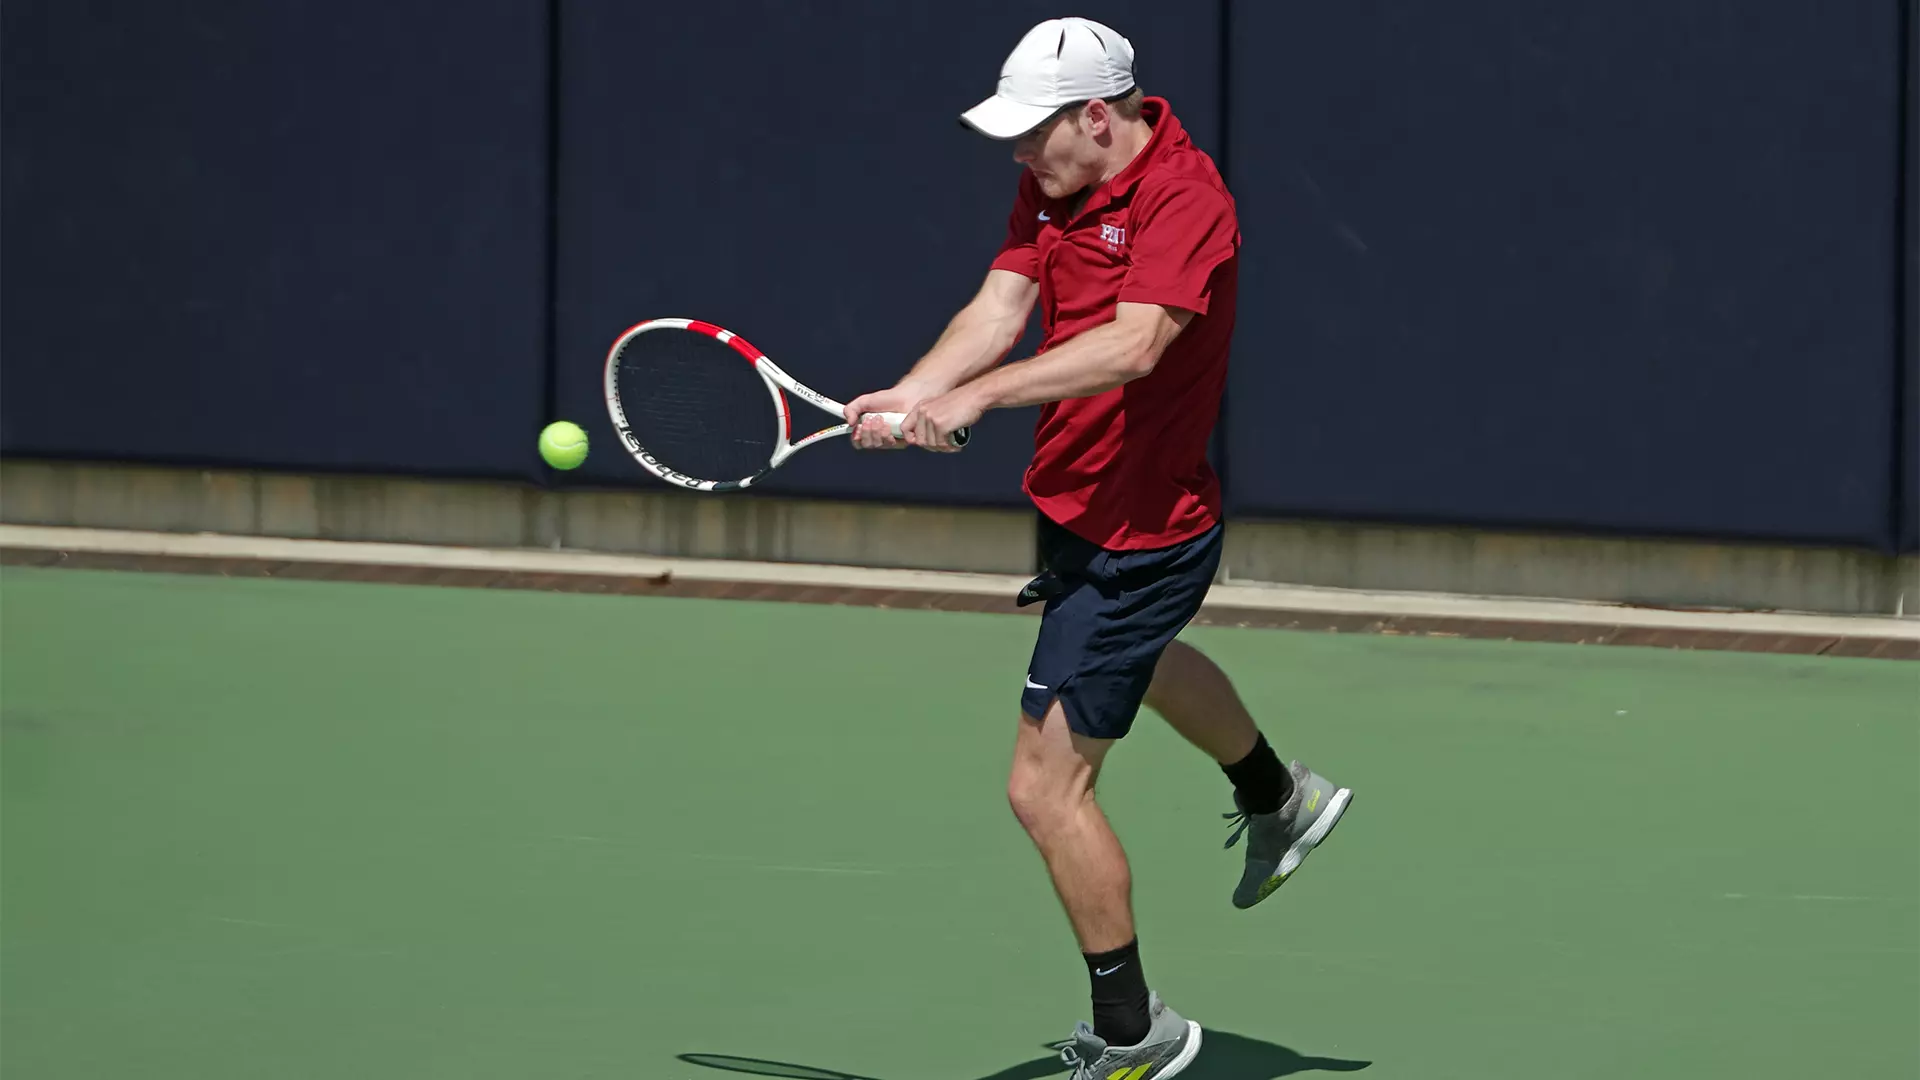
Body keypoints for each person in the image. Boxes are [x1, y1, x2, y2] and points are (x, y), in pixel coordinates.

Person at [843, 17, 1353, 1080]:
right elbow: (1000, 305)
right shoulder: (1055, 182)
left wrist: (977, 399)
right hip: (1078, 505)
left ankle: (1133, 1034)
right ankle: (1279, 796)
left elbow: (1134, 344)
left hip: (1142, 533)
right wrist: (916, 390)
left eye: (1035, 134)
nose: (1020, 156)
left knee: (1044, 789)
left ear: (1096, 117)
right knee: (1144, 663)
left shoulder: (1185, 199)